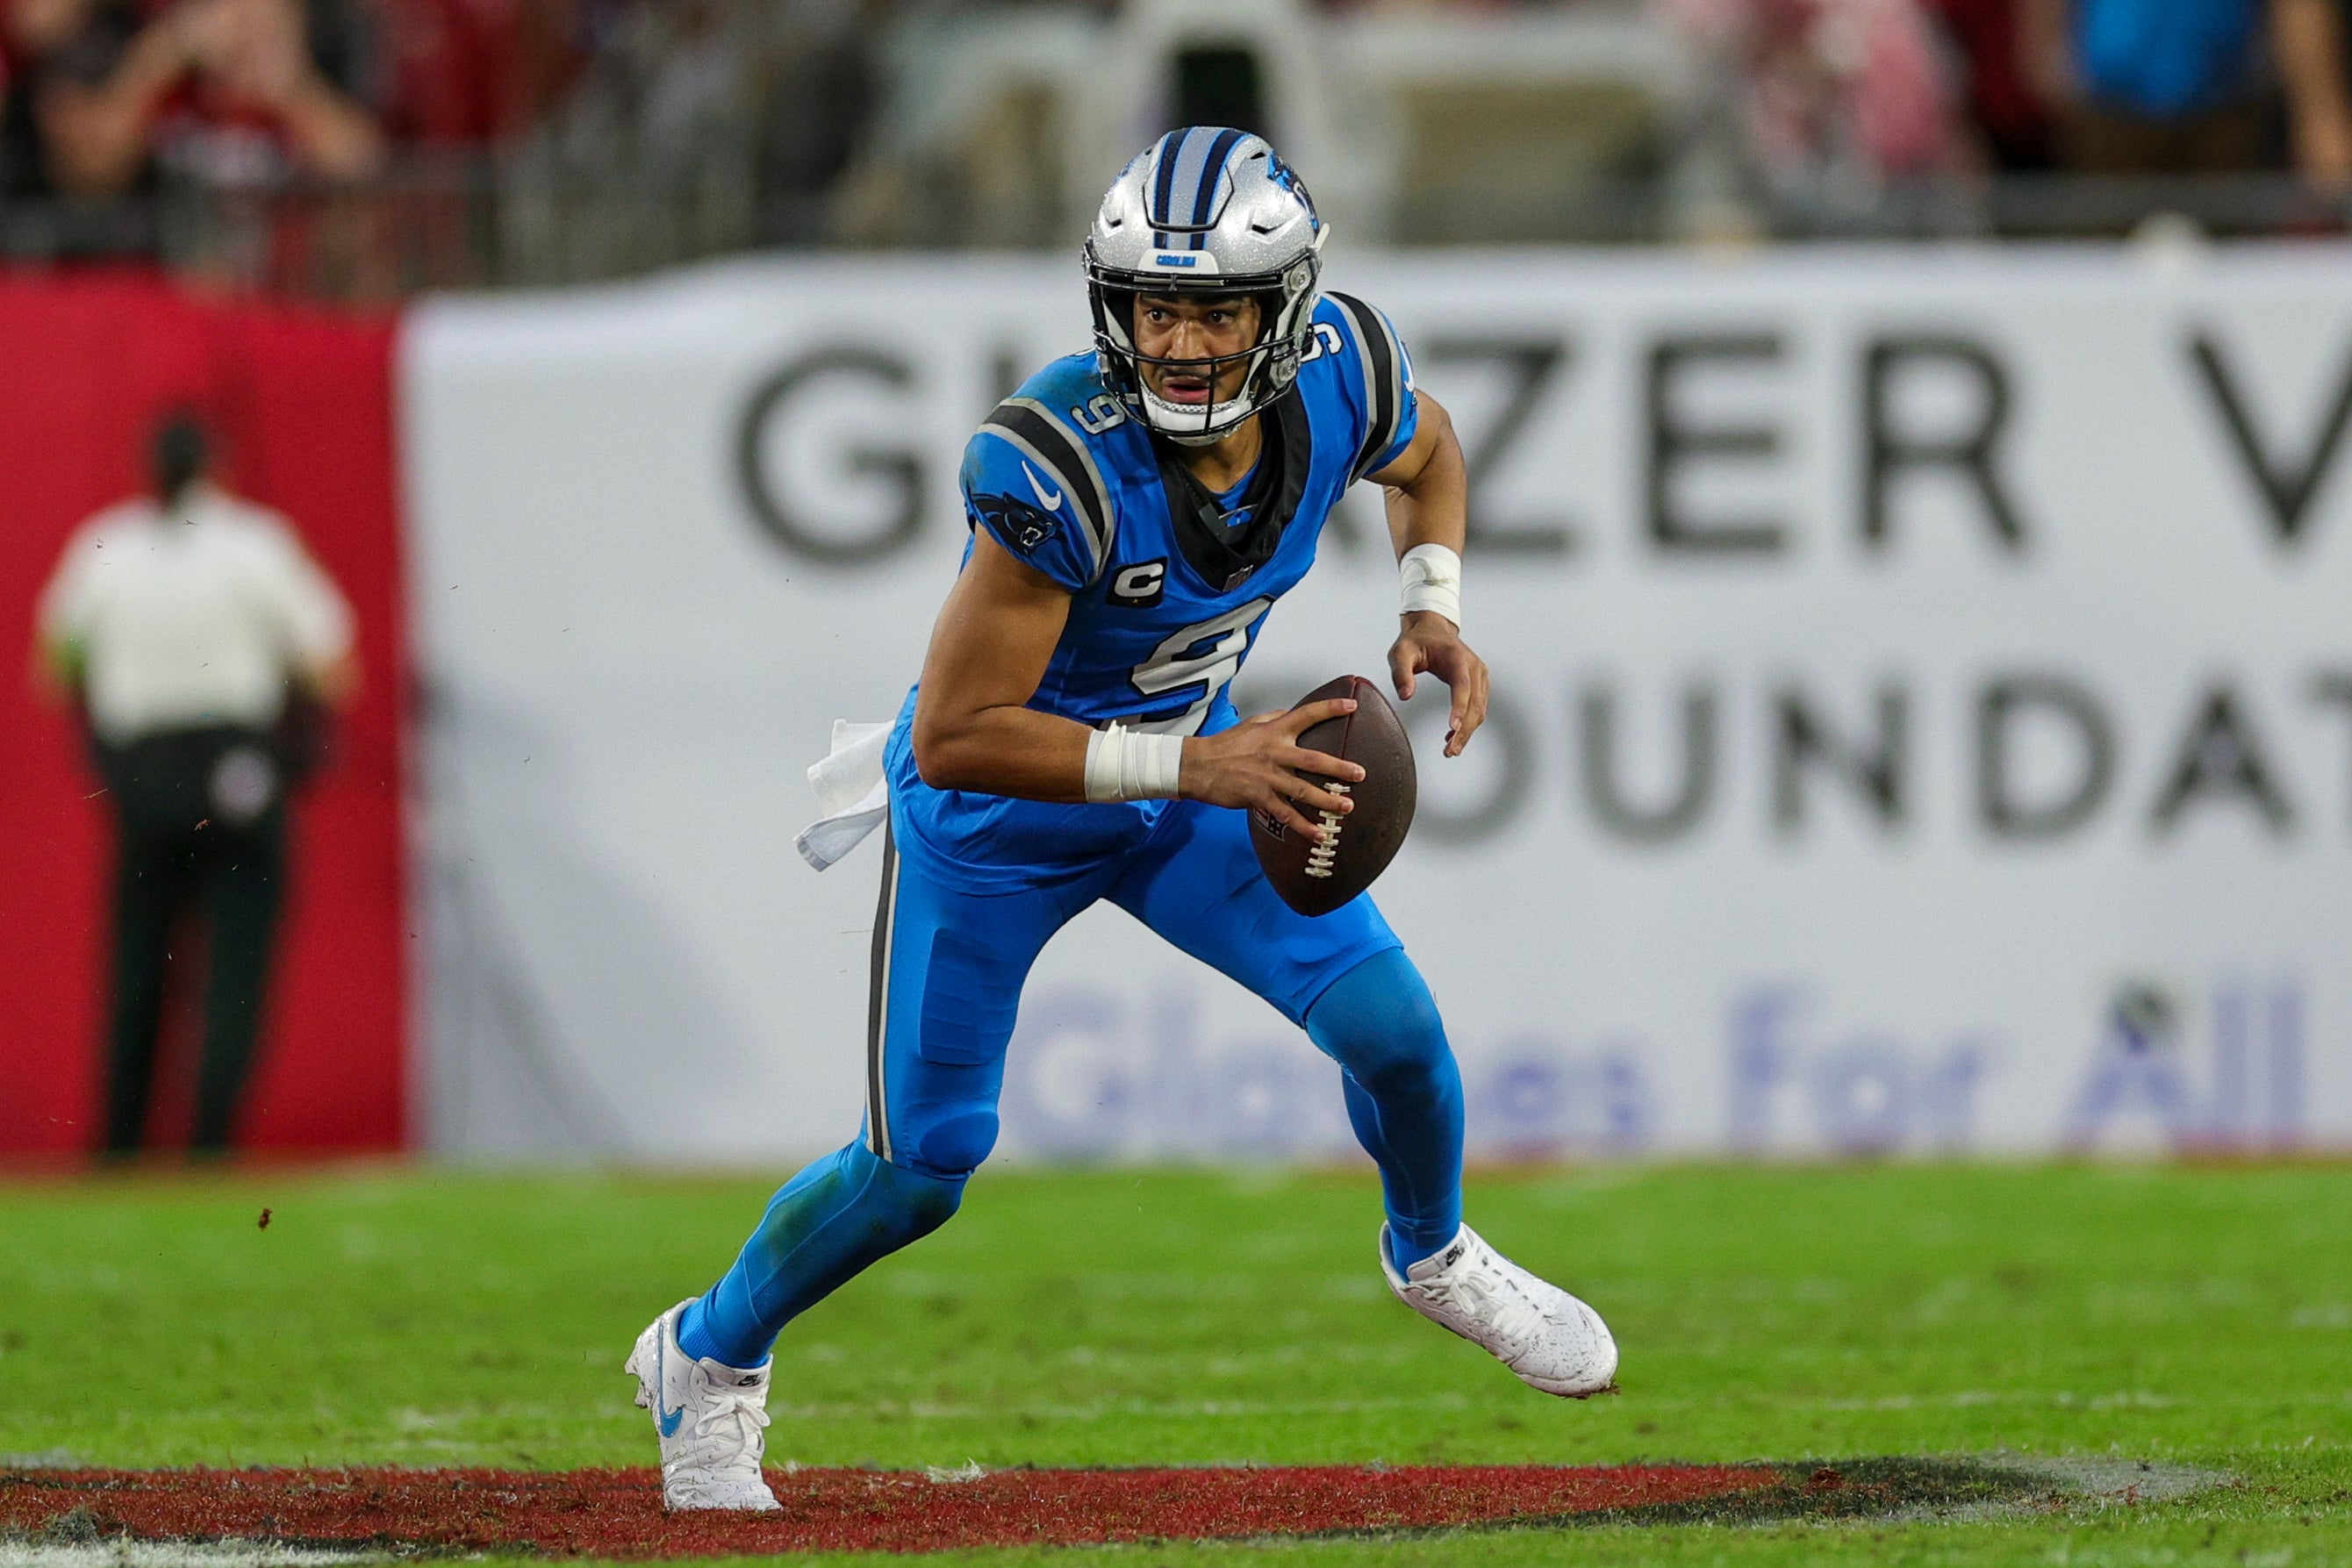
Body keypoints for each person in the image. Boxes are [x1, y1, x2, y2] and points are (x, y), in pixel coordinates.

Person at [623, 127, 1618, 1514]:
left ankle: (1433, 1248)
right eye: (1157, 305)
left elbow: (1433, 448)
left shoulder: (1343, 373)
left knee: (1396, 1034)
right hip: (995, 817)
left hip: (1186, 772)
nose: (1184, 340)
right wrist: (1190, 769)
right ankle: (705, 1356)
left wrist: (1431, 607)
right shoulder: (1059, 460)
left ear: (1287, 311)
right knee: (921, 1169)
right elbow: (960, 730)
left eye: (1216, 306)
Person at [35, 412, 355, 1156]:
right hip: (234, 767)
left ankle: (120, 1147)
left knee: (140, 961)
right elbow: (331, 662)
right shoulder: (255, 543)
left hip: (143, 769)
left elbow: (54, 664)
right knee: (237, 966)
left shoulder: (103, 546)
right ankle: (210, 1147)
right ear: (217, 465)